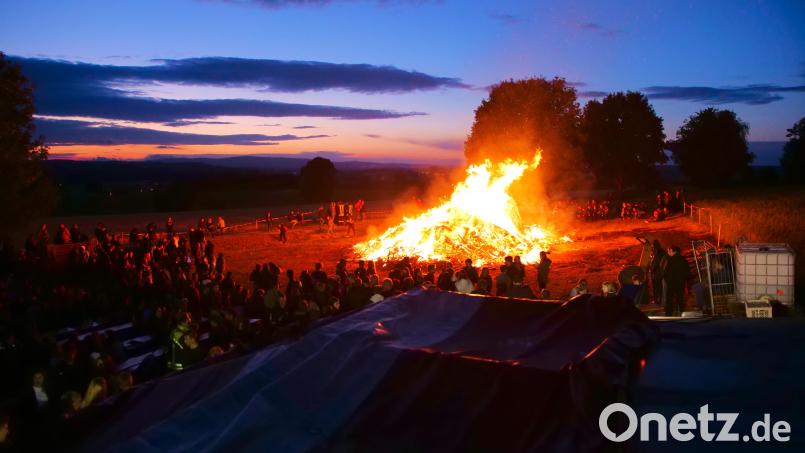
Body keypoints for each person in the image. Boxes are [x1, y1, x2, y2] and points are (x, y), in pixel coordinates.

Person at [662, 245, 689, 316]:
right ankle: (681, 311)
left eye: (669, 250)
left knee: (669, 299)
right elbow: (687, 273)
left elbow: (665, 272)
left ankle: (669, 313)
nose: (668, 252)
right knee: (680, 298)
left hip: (671, 283)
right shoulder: (683, 260)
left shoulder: (670, 260)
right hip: (680, 283)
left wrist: (667, 280)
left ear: (672, 251)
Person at [648, 239, 666, 304]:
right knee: (659, 288)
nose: (651, 247)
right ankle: (658, 300)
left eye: (652, 246)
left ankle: (658, 301)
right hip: (658, 273)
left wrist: (651, 269)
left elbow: (655, 263)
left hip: (657, 274)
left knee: (657, 288)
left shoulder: (658, 253)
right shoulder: (661, 252)